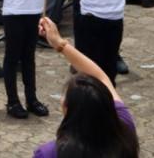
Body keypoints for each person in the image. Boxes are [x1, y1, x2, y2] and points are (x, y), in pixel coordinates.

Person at [34, 17, 139, 158]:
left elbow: (101, 77)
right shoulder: (125, 130)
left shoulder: (51, 153)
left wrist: (59, 44)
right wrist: (60, 43)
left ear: (67, 108)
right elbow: (101, 77)